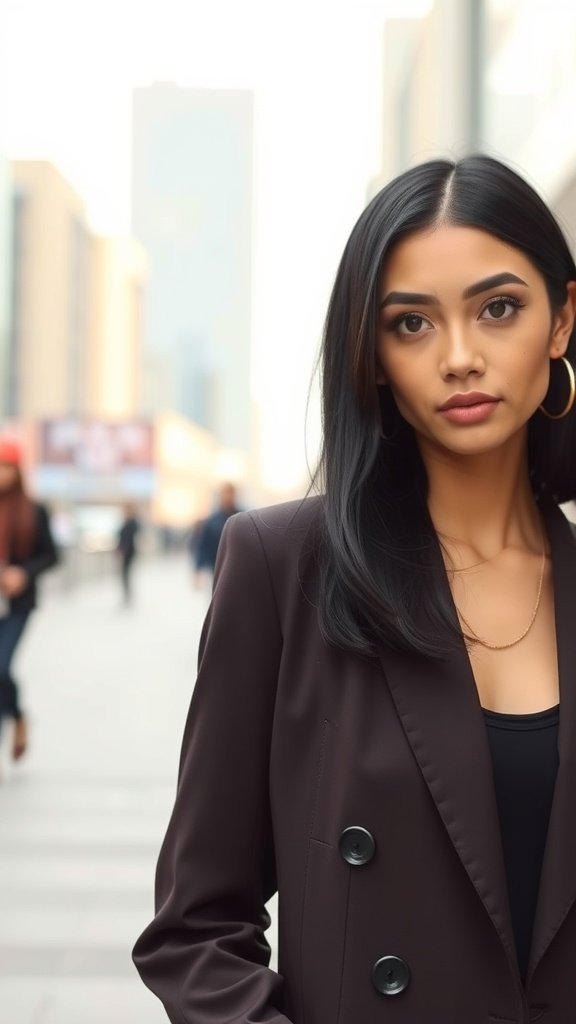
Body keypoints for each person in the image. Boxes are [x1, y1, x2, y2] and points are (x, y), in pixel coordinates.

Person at [132, 154, 576, 1020]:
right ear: (370, 354)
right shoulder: (281, 566)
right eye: (411, 324)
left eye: (498, 309)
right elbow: (196, 927)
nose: (458, 357)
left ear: (562, 320)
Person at [0, 438, 58, 761]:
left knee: (1, 669)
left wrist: (23, 574)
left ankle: (18, 717)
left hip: (16, 605)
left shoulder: (34, 511)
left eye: (6, 466)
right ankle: (16, 719)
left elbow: (51, 557)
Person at [193, 482, 240, 577]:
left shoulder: (242, 517)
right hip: (217, 566)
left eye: (230, 493)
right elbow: (204, 545)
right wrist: (198, 569)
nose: (228, 496)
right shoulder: (212, 521)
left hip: (238, 566)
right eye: (226, 493)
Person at [116, 504, 140, 605]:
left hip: (129, 551)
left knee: (126, 573)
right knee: (124, 574)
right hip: (126, 550)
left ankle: (128, 595)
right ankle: (126, 594)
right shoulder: (126, 522)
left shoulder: (132, 522)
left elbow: (129, 538)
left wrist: (123, 548)